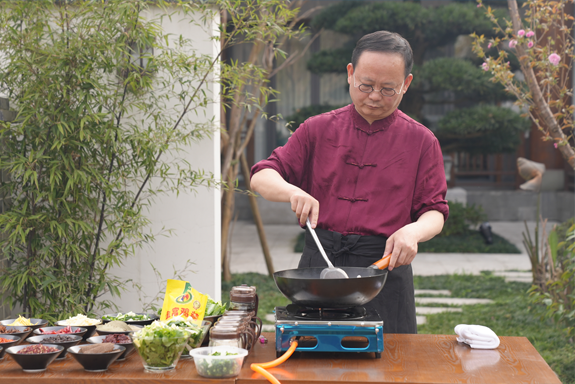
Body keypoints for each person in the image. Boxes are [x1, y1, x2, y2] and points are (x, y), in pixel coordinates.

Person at [250, 30, 449, 333]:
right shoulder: (317, 129)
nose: (374, 97)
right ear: (350, 73)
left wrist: (414, 232)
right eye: (366, 85)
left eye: (388, 89)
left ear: (406, 84)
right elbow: (261, 176)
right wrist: (291, 191)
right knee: (313, 366)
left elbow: (434, 210)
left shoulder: (421, 140)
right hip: (320, 268)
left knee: (391, 367)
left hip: (383, 269)